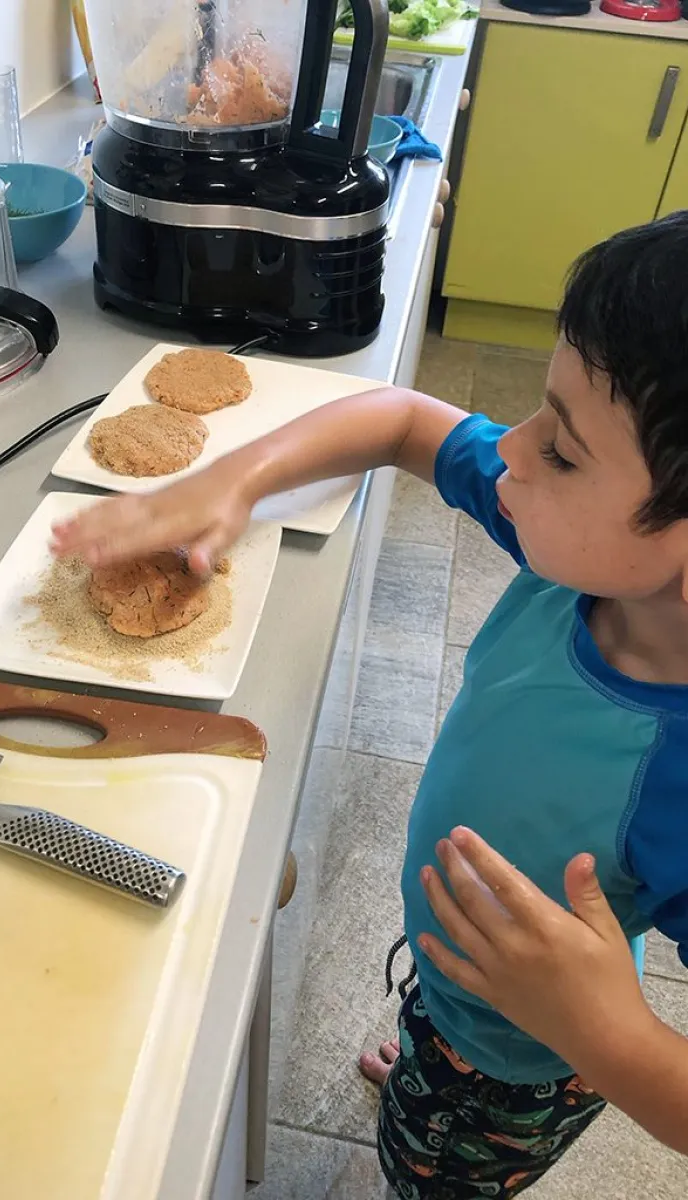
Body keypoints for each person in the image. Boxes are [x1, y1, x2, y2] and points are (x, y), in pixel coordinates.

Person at [52, 212, 688, 1198]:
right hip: (461, 980)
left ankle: (430, 1134)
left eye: (562, 453)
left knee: (430, 1171)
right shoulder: (589, 562)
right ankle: (425, 1066)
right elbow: (397, 420)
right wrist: (230, 481)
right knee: (432, 1045)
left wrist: (603, 1033)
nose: (510, 452)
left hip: (524, 1068)